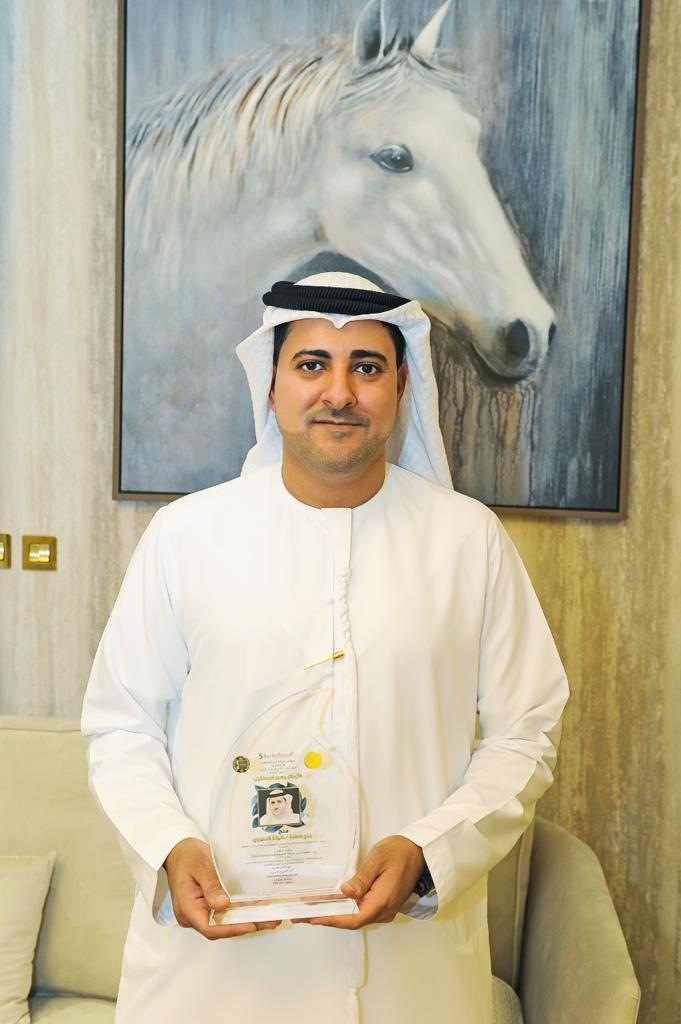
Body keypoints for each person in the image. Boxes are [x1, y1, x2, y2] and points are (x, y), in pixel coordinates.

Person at [81, 272, 569, 1024]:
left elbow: (525, 732)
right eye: (312, 364)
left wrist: (430, 850)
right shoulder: (185, 538)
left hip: (411, 976)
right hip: (216, 974)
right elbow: (121, 726)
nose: (339, 392)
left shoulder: (468, 541)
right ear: (272, 384)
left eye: (365, 367)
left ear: (399, 385)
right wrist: (169, 845)